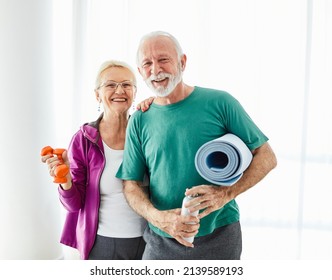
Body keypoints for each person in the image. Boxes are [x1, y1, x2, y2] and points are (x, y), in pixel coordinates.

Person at [116, 31, 277, 260]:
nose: (156, 69)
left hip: (219, 237)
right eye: (147, 64)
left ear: (182, 62)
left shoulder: (220, 103)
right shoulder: (140, 119)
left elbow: (267, 156)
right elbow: (130, 185)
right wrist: (159, 218)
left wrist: (225, 194)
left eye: (163, 60)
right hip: (161, 240)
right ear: (141, 72)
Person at [41, 60, 153, 260]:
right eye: (110, 85)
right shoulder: (83, 139)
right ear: (97, 95)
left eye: (126, 85)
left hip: (149, 240)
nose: (119, 90)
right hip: (102, 242)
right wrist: (65, 180)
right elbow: (74, 205)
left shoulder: (148, 132)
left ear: (135, 93)